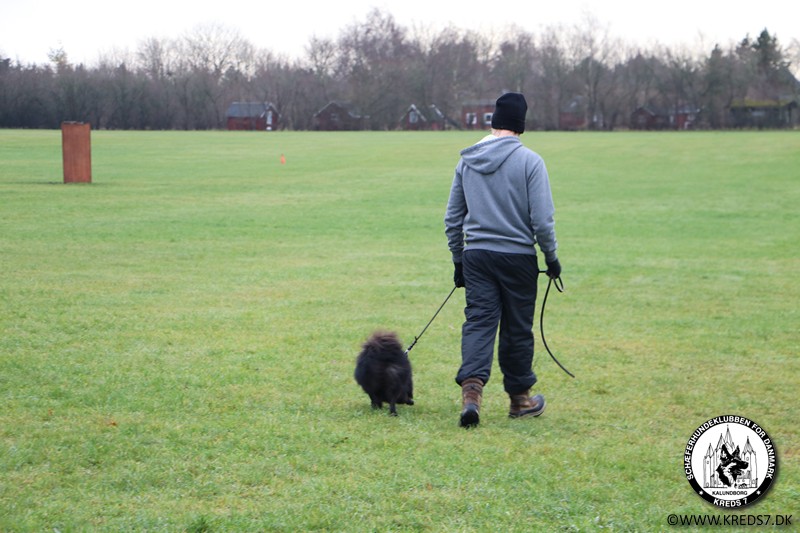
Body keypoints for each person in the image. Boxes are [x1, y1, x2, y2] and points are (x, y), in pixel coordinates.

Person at [444, 92, 561, 428]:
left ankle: (471, 396)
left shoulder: (467, 160)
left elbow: (452, 218)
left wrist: (458, 260)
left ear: (494, 122)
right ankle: (520, 401)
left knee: (479, 322)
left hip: (477, 257)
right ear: (521, 126)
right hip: (518, 258)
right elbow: (542, 221)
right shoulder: (531, 162)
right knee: (517, 329)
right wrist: (551, 258)